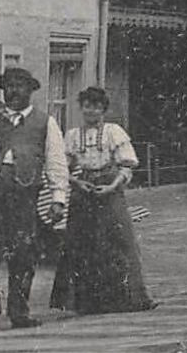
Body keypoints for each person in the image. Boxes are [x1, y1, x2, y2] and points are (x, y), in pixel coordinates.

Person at [0, 67, 68, 331]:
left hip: (23, 197)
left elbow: (56, 160)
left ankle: (19, 311)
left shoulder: (45, 122)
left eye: (20, 85)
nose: (13, 91)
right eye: (9, 86)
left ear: (31, 90)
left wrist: (58, 198)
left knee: (23, 253)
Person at [60, 86, 156, 315]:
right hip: (83, 192)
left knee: (118, 243)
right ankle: (87, 302)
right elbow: (62, 168)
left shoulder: (114, 132)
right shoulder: (72, 135)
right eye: (87, 106)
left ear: (103, 109)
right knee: (83, 245)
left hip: (110, 191)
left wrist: (112, 186)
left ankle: (126, 299)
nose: (91, 111)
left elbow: (127, 165)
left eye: (96, 106)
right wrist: (77, 183)